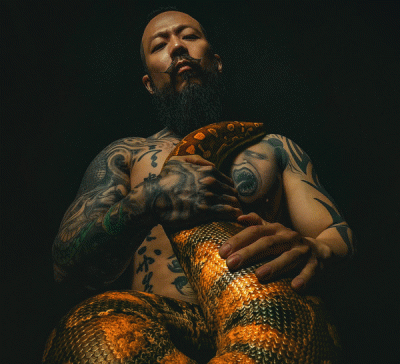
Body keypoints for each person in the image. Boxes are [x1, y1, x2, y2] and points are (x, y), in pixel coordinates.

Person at [52, 9, 354, 306]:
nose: (177, 46)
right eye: (159, 45)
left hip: (265, 315)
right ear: (149, 84)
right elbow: (66, 270)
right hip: (159, 326)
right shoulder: (125, 155)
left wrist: (316, 249)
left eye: (189, 36)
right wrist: (148, 199)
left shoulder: (275, 147)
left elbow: (334, 234)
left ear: (217, 63)